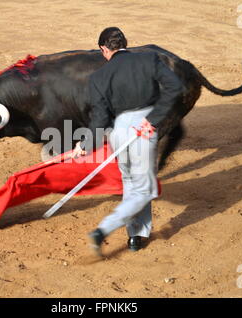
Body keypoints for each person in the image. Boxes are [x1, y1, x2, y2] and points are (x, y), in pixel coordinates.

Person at [72, 27, 183, 256]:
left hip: (118, 132)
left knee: (131, 183)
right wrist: (153, 119)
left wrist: (83, 145)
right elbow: (175, 88)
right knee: (143, 190)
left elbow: (100, 120)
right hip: (142, 129)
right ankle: (103, 230)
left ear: (104, 49)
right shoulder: (148, 59)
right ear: (125, 43)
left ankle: (136, 234)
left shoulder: (98, 77)